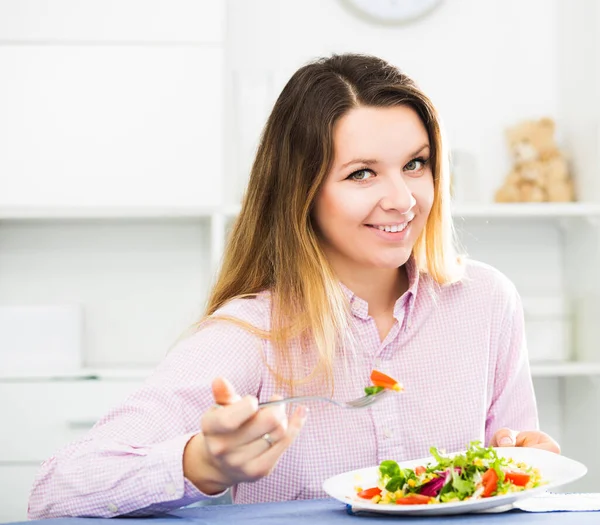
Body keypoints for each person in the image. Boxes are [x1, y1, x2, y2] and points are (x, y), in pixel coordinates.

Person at [28, 53, 559, 518]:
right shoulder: (250, 332)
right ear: (300, 192)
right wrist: (202, 464)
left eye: (415, 164)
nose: (402, 199)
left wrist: (526, 461)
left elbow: (509, 465)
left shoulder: (486, 302)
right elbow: (56, 489)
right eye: (362, 174)